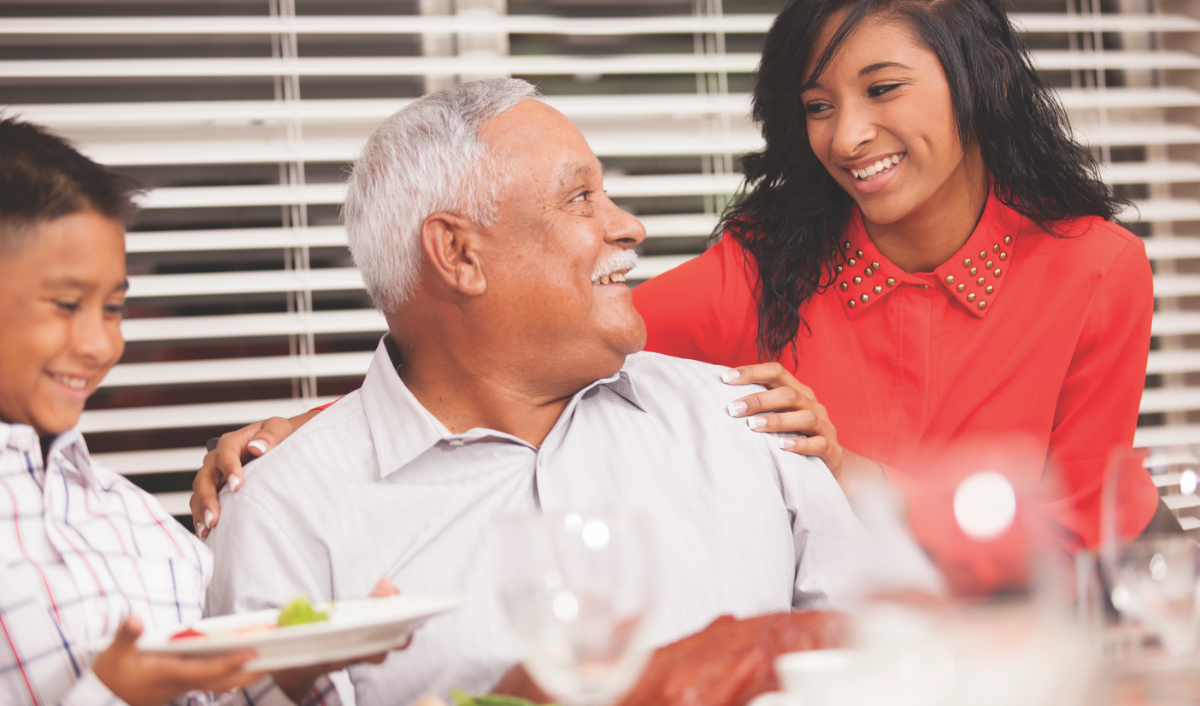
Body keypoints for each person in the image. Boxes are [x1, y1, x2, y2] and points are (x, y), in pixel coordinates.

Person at [201, 79, 892, 706]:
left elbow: (893, 670)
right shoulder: (283, 512)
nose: (628, 227)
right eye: (579, 197)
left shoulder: (749, 420)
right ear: (459, 255)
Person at [630, 0, 1159, 557]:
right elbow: (572, 352)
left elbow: (1074, 535)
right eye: (818, 105)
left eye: (882, 89)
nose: (846, 139)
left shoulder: (1097, 270)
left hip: (1023, 630)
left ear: (989, 81)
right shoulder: (758, 273)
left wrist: (849, 474)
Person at [0, 116, 402, 706]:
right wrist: (114, 693)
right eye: (66, 303)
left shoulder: (148, 534)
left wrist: (289, 673)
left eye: (112, 308)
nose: (100, 343)